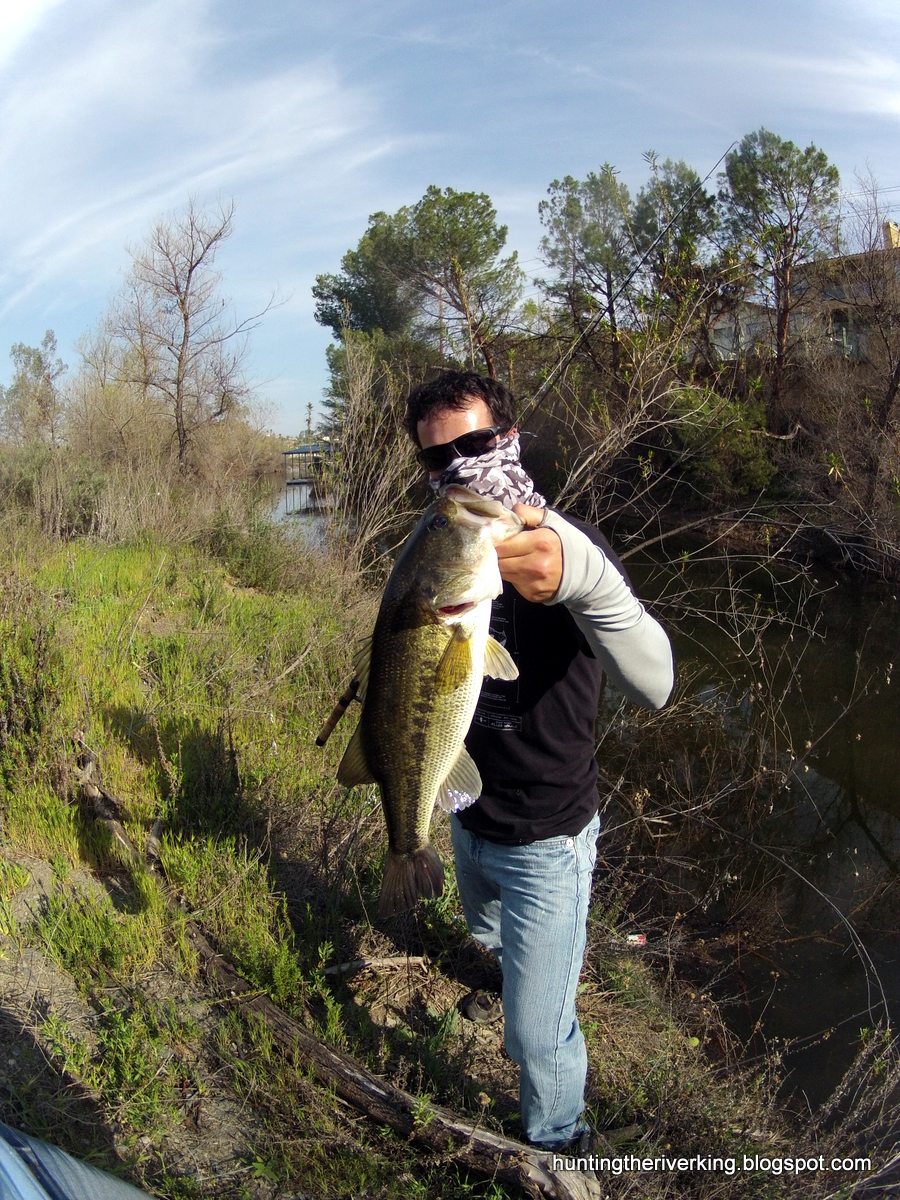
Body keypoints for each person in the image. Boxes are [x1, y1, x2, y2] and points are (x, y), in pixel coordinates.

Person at [404, 371, 674, 1152]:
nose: (459, 467)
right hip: (466, 814)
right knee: (485, 932)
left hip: (548, 837)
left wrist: (582, 579)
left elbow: (656, 683)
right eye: (439, 458)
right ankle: (502, 975)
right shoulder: (436, 552)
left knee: (537, 1033)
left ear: (510, 438)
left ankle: (558, 1138)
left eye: (475, 443)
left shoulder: (570, 550)